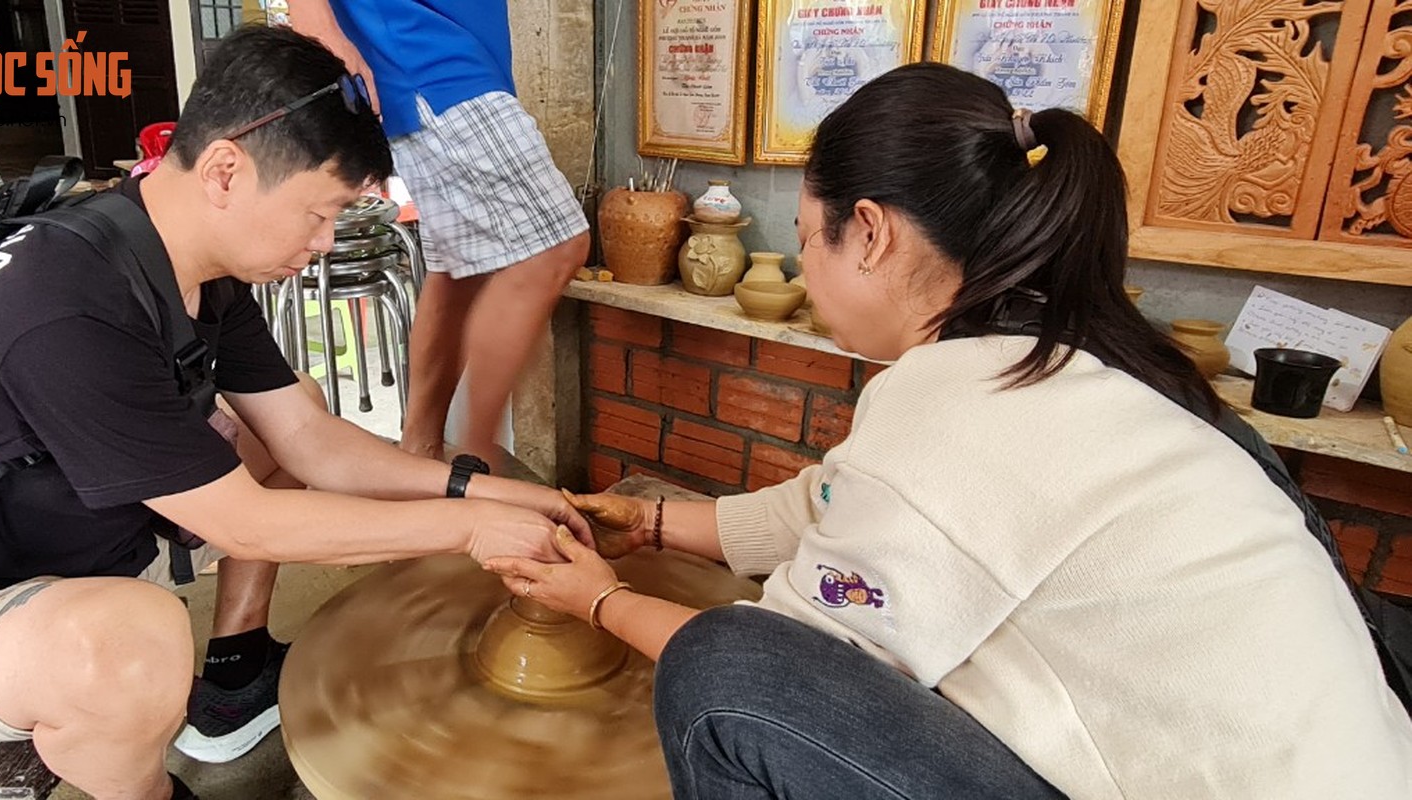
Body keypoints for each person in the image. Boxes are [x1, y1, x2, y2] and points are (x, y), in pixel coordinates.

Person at [487, 64, 1412, 799]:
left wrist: (599, 603)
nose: (803, 267)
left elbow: (797, 653)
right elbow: (842, 505)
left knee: (722, 670)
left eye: (809, 237)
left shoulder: (954, 406)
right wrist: (647, 525)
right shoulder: (1073, 354)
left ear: (873, 233)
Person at [0, 26, 589, 800]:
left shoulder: (186, 259)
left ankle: (236, 672)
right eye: (319, 212)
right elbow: (246, 524)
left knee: (287, 408)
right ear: (227, 169)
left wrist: (495, 494)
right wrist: (471, 534)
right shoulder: (65, 301)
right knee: (137, 644)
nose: (325, 243)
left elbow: (307, 442)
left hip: (78, 553)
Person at [290, 0, 591, 466]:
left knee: (457, 269)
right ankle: (474, 461)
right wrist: (318, 27)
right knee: (557, 248)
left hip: (451, 48)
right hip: (422, 50)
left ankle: (421, 452)